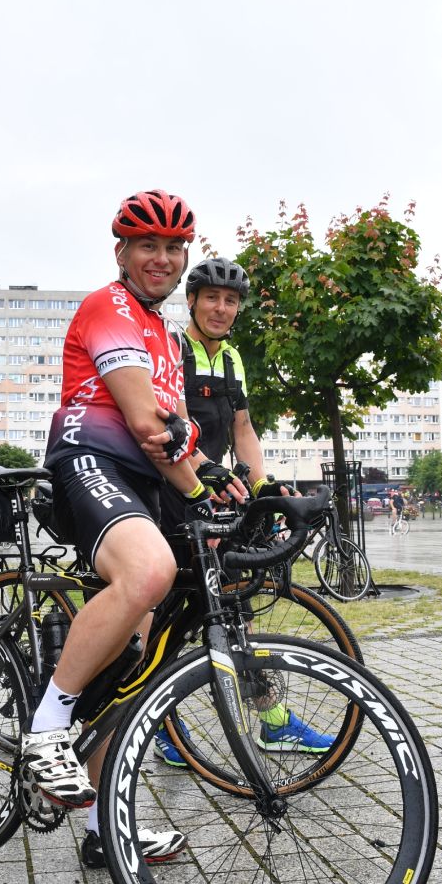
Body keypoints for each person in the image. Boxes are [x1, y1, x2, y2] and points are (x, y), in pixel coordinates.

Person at [24, 189, 248, 869]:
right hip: (89, 460)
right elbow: (150, 425)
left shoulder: (166, 337)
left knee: (133, 665)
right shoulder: (110, 308)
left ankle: (102, 827)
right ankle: (46, 730)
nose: (162, 258)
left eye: (174, 247)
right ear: (121, 251)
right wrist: (197, 476)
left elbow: (177, 444)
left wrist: (230, 492)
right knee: (149, 571)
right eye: (148, 244)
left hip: (141, 480)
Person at [155, 258, 334, 765]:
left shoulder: (233, 358)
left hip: (217, 495)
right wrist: (206, 469)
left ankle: (273, 721)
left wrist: (261, 482)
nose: (221, 307)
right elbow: (169, 424)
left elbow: (243, 429)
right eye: (211, 297)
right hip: (171, 491)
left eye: (230, 300)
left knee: (235, 609)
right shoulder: (172, 347)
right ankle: (159, 723)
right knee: (161, 613)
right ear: (192, 300)